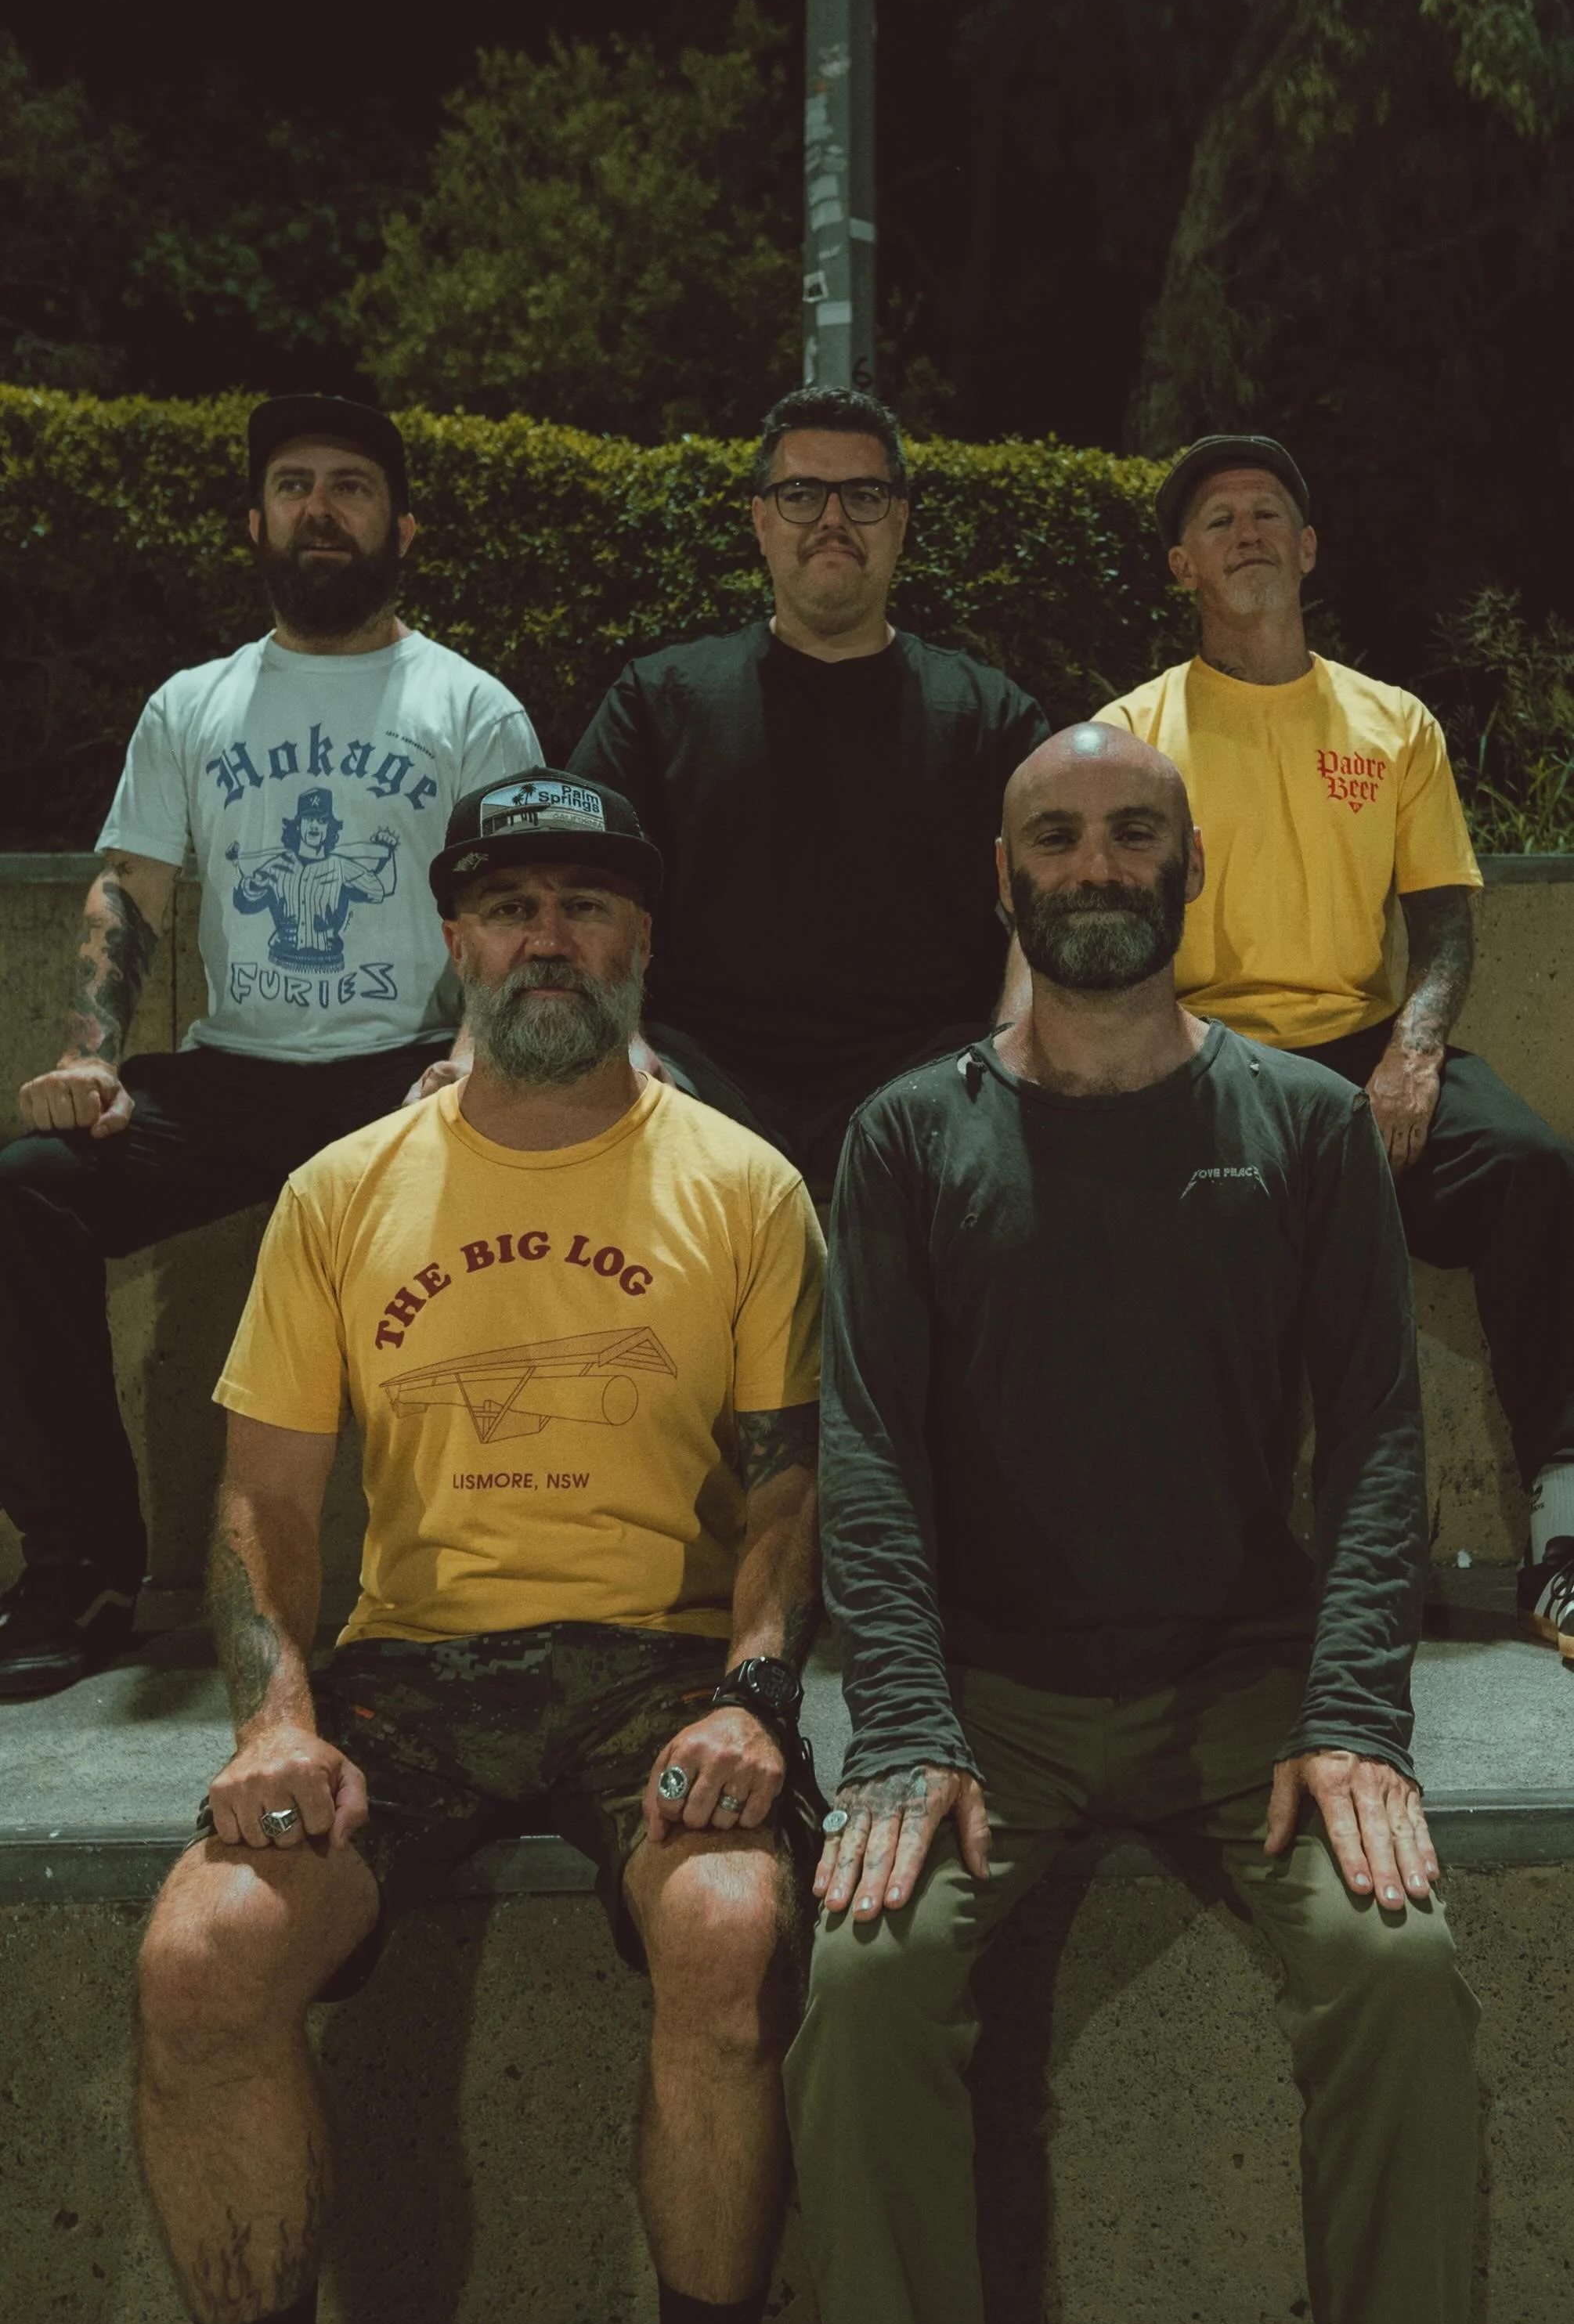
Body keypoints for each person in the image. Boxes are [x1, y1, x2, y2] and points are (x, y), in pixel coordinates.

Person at [787, 725, 1480, 2324]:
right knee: (863, 1986)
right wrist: (905, 1724)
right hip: (988, 1697)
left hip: (1246, 1687)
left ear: (1190, 870)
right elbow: (868, 1450)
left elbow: (1381, 1438)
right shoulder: (909, 1135)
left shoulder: (1305, 1126)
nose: (1095, 866)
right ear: (1004, 878)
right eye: (1057, 837)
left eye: (1130, 834)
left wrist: (1353, 1712)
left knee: (1399, 1972)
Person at [132, 769, 826, 2324]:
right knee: (201, 1959)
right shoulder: (340, 1190)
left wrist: (753, 1701)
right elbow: (264, 1506)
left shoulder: (744, 1185)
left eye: (586, 905)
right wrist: (276, 1717)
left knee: (731, 1925)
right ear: (453, 937)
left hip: (657, 1666)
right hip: (412, 1671)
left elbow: (785, 1501)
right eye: (510, 906)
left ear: (642, 938)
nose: (547, 939)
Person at [0, 394, 540, 1698]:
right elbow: (132, 888)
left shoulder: (469, 706)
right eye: (294, 484)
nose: (320, 508)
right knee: (25, 1191)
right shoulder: (194, 704)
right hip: (232, 1078)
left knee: (528, 1190)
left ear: (401, 527)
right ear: (255, 522)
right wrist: (89, 1056)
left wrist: (477, 1054)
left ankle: (503, 1578)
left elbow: (518, 902)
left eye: (351, 485)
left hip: (405, 1072)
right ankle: (83, 1565)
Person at [1099, 431, 1574, 1669]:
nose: (1246, 531)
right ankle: (1213, 1561)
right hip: (1212, 1050)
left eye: (1267, 512)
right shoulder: (1134, 733)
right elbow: (1114, 934)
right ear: (1181, 566)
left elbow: (1445, 923)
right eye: (1216, 520)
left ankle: (1561, 1525)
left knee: (1529, 1167)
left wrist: (1413, 1051)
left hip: (1365, 1044)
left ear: (1307, 549)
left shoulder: (1390, 721)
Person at [569, 384, 1048, 1196]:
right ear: (760, 520)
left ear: (900, 520)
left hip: (929, 1086)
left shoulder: (989, 717)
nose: (833, 519)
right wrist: (622, 1040)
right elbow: (579, 882)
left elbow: (1049, 902)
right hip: (694, 1081)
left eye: (863, 495)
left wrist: (1013, 1045)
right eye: (801, 494)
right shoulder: (659, 701)